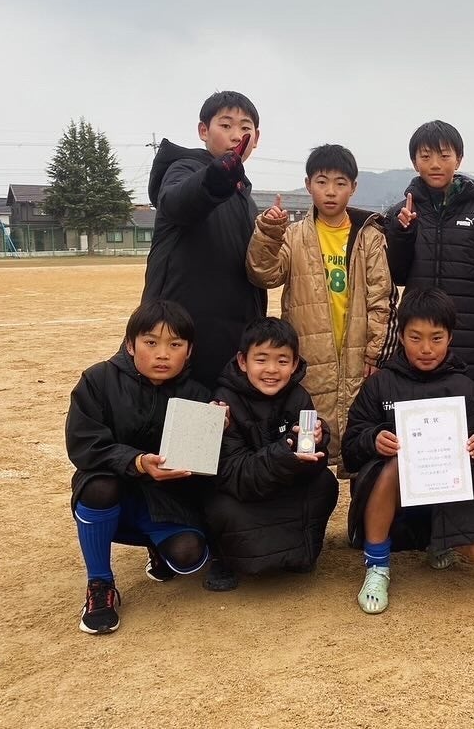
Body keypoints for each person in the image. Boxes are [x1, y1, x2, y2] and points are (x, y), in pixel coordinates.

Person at [342, 288, 474, 615]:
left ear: (450, 338)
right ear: (401, 336)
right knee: (397, 463)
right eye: (415, 337)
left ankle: (438, 541)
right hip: (392, 499)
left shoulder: (466, 389)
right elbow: (350, 448)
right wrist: (373, 439)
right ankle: (377, 566)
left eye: (436, 338)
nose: (425, 349)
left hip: (446, 496)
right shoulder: (381, 384)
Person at [245, 144, 397, 472]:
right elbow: (264, 274)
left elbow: (381, 297)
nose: (330, 191)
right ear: (308, 184)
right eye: (322, 182)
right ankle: (310, 501)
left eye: (340, 183)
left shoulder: (369, 236)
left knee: (362, 446)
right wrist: (269, 233)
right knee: (308, 443)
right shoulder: (293, 235)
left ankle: (360, 501)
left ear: (353, 188)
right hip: (308, 358)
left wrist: (374, 353)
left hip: (358, 356)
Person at [65, 300, 213, 634]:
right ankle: (100, 584)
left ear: (189, 351)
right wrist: (137, 462)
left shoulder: (197, 394)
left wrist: (218, 430)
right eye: (151, 342)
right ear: (130, 345)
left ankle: (157, 546)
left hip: (164, 498)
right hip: (113, 491)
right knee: (99, 486)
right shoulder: (98, 380)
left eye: (175, 345)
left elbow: (203, 466)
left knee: (189, 557)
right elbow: (84, 444)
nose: (163, 354)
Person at [384, 120, 474, 418]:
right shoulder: (401, 213)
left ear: (459, 159)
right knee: (424, 414)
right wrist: (402, 233)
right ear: (414, 161)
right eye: (425, 156)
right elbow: (398, 276)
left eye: (444, 155)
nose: (435, 164)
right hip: (421, 335)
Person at [141, 90, 267, 390]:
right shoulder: (184, 169)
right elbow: (176, 202)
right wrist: (215, 178)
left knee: (223, 414)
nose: (236, 135)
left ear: (256, 137)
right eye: (226, 125)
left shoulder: (245, 197)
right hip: (179, 335)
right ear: (203, 130)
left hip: (229, 341)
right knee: (180, 414)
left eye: (245, 128)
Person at [203, 318, 340, 591]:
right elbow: (234, 474)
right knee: (217, 503)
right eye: (261, 359)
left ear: (295, 363)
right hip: (244, 493)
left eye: (282, 360)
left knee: (324, 482)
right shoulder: (223, 402)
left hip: (279, 485)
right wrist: (285, 454)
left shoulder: (298, 396)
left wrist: (318, 441)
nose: (271, 370)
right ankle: (222, 558)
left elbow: (312, 465)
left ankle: (299, 551)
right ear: (243, 361)